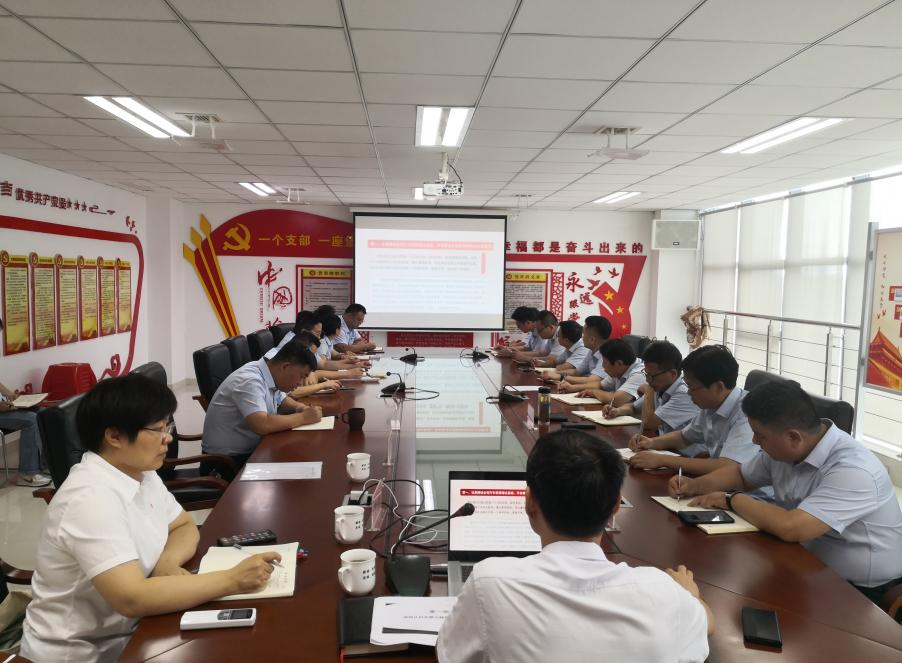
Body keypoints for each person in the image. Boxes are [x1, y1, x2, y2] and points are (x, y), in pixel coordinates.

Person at [19, 374, 280, 663]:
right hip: (85, 653)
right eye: (157, 429)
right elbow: (132, 597)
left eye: (167, 426)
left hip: (138, 631)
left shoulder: (139, 471)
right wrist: (232, 580)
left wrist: (167, 562)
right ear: (114, 437)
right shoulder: (89, 499)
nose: (168, 437)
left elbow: (183, 525)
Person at [437, 429, 713, 662]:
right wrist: (689, 595)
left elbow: (448, 653)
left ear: (529, 503)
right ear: (616, 507)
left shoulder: (490, 584)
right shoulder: (663, 592)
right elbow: (707, 623)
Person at [670, 380, 902, 608]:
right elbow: (741, 475)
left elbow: (792, 527)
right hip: (804, 562)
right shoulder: (784, 451)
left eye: (760, 435)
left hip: (862, 593)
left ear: (794, 437)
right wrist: (694, 485)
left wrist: (731, 499)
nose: (755, 441)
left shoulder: (854, 470)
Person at [626, 345, 761, 475]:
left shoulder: (748, 413)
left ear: (719, 387)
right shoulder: (710, 405)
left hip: (745, 490)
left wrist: (662, 460)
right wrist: (651, 442)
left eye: (692, 387)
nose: (689, 393)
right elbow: (683, 437)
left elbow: (727, 466)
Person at [201, 338, 322, 472]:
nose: (301, 382)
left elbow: (282, 401)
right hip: (226, 463)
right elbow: (261, 424)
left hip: (251, 452)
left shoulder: (270, 374)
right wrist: (304, 417)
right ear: (285, 367)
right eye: (302, 376)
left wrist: (300, 408)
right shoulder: (250, 380)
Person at [603, 340, 698, 435]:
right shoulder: (661, 385)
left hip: (679, 445)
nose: (647, 379)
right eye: (646, 374)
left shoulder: (685, 394)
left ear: (672, 373)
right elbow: (633, 407)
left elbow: (648, 423)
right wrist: (617, 411)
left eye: (651, 376)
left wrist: (648, 388)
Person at [0, 383, 50, 487]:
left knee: (43, 413)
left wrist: (11, 395)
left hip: (3, 407)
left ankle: (44, 465)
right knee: (31, 420)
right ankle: (26, 475)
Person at [571, 339, 645, 406]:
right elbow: (600, 385)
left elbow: (617, 400)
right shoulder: (619, 369)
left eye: (605, 362)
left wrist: (594, 392)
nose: (603, 366)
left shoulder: (639, 374)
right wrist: (572, 387)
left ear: (619, 363)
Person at [545, 315, 611, 383]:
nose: (581, 338)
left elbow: (592, 380)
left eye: (583, 334)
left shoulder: (608, 354)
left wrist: (559, 377)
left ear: (592, 340)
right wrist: (555, 373)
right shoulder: (592, 351)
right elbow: (576, 372)